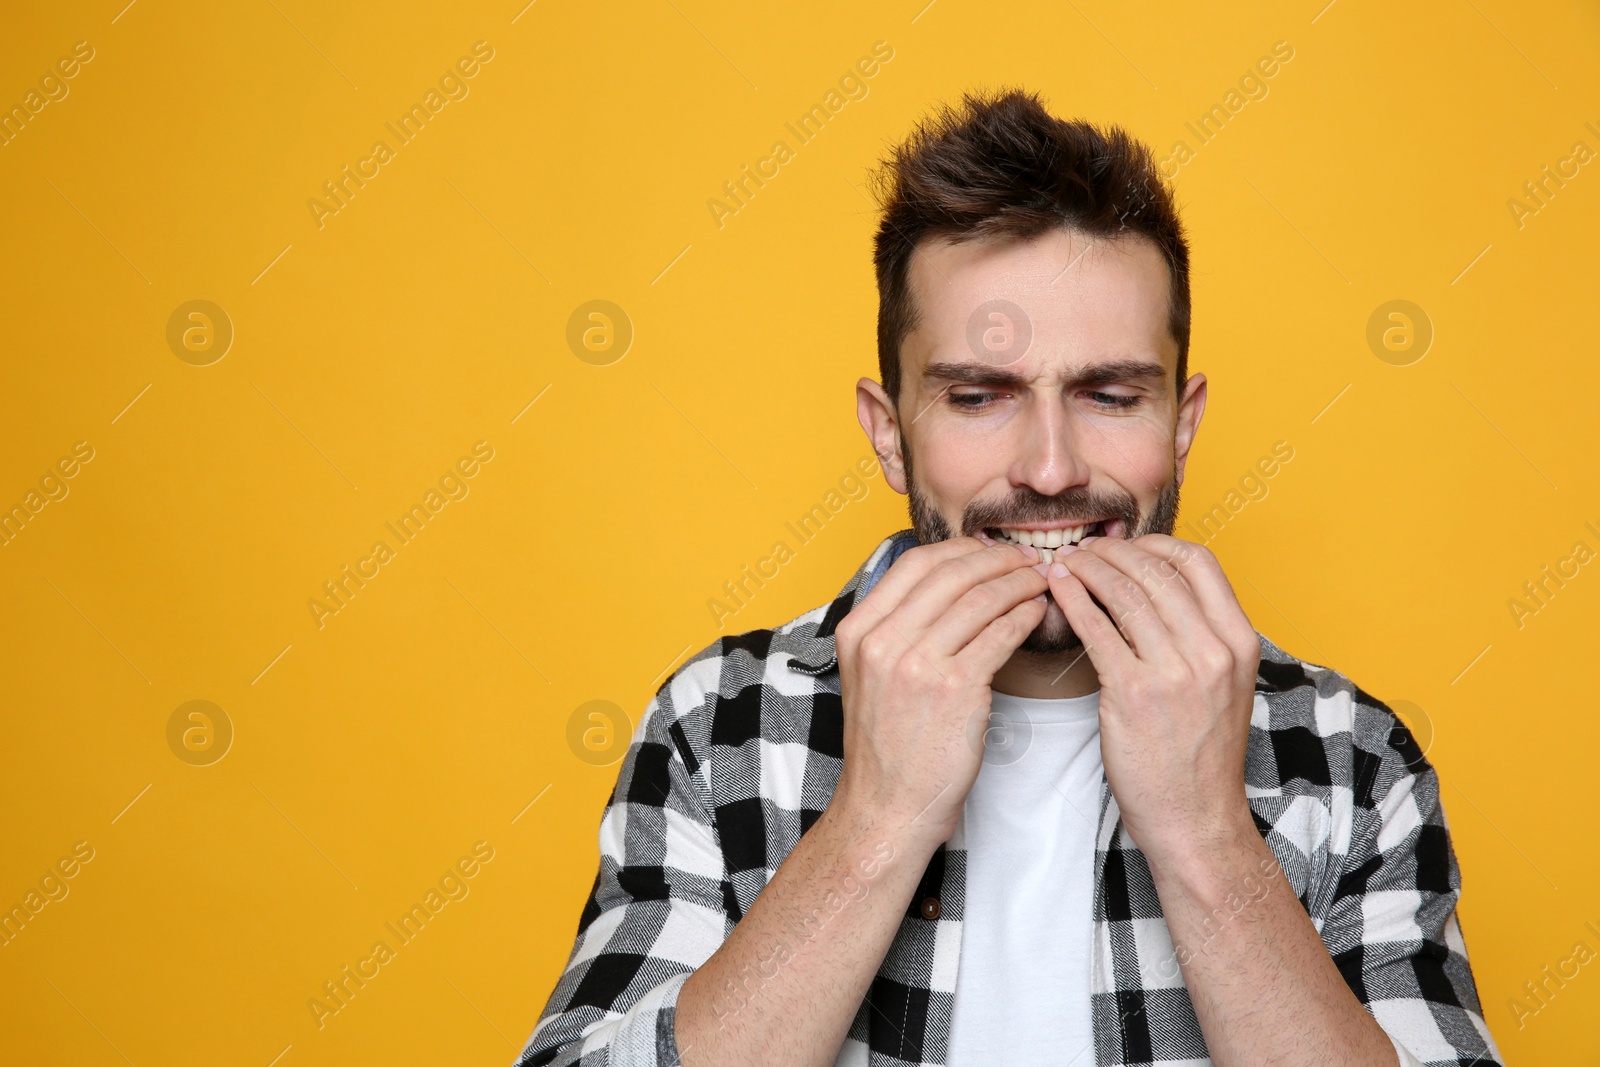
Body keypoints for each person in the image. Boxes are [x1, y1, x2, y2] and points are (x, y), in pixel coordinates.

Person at [514, 89, 1503, 1067]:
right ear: (890, 434)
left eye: (1110, 393)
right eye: (979, 396)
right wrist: (875, 823)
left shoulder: (1353, 758)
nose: (1048, 468)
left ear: (1182, 423)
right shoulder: (718, 725)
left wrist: (1207, 837)